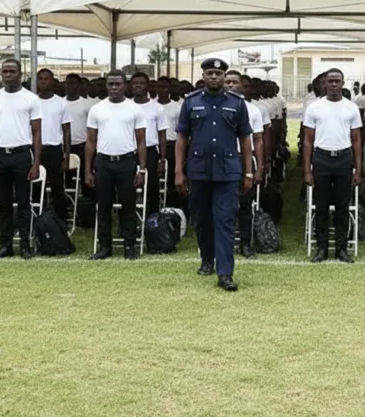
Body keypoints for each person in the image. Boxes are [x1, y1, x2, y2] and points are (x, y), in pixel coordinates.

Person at [175, 59, 253, 292]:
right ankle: (207, 259)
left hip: (228, 172)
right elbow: (181, 138)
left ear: (224, 76)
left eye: (218, 73)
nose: (214, 77)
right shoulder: (191, 102)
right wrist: (179, 171)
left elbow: (245, 139)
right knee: (202, 219)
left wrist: (248, 171)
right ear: (203, 75)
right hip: (198, 170)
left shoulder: (237, 104)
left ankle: (225, 273)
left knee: (225, 221)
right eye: (209, 73)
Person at [0, 59, 43, 260]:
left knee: (24, 203)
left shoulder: (31, 99)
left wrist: (36, 163)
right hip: (0, 155)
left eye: (12, 71)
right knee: (3, 203)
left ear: (20, 73)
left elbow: (36, 133)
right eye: (5, 71)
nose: (8, 75)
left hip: (22, 155)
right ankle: (5, 245)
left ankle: (26, 245)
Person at [85, 70, 147, 260]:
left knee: (128, 207)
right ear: (106, 85)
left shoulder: (135, 109)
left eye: (118, 84)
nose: (114, 87)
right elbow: (90, 141)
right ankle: (105, 247)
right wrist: (88, 170)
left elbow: (141, 141)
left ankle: (130, 246)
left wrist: (142, 169)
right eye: (110, 84)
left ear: (125, 85)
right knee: (103, 207)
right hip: (103, 162)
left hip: (127, 162)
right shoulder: (97, 109)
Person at [302, 68, 362, 263]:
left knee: (342, 207)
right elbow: (308, 140)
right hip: (322, 159)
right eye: (330, 81)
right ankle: (322, 248)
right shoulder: (314, 107)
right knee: (321, 207)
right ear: (324, 83)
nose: (334, 85)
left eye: (337, 81)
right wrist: (306, 169)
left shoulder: (351, 108)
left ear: (343, 83)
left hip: (343, 159)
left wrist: (358, 168)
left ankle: (341, 249)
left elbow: (356, 140)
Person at [224, 71, 265, 258]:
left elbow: (257, 140)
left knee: (245, 204)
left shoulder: (252, 110)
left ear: (242, 85)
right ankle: (222, 243)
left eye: (234, 82)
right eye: (227, 82)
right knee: (221, 203)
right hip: (222, 158)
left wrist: (260, 167)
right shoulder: (214, 106)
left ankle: (245, 244)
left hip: (243, 158)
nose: (231, 85)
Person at [35, 69, 72, 222]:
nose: (43, 81)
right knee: (35, 186)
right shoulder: (31, 101)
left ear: (53, 81)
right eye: (41, 79)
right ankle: (37, 218)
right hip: (34, 149)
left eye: (47, 79)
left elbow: (67, 130)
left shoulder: (61, 102)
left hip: (54, 150)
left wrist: (67, 156)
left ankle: (60, 221)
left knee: (57, 187)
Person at [131, 73, 168, 215]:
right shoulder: (126, 105)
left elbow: (162, 134)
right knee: (128, 187)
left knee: (152, 187)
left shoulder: (157, 107)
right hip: (130, 151)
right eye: (135, 83)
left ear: (147, 86)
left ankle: (152, 219)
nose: (138, 86)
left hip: (150, 150)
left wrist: (162, 159)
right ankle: (129, 220)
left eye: (141, 83)